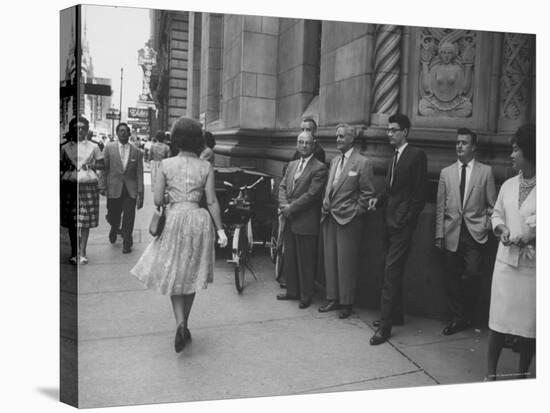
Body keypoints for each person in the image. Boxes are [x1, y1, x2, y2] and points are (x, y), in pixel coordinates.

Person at [131, 117, 228, 353]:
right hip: (198, 219)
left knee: (175, 272)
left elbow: (156, 200)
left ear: (175, 139)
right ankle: (186, 323)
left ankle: (180, 323)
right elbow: (212, 201)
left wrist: (170, 197)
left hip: (174, 218)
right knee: (192, 273)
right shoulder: (206, 167)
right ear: (197, 139)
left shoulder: (165, 165)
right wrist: (221, 230)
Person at [368, 113, 427, 345]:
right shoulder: (395, 156)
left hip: (401, 225)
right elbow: (392, 190)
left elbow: (419, 195)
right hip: (389, 221)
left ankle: (385, 327)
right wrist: (378, 200)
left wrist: (406, 220)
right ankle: (396, 315)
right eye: (388, 130)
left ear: (405, 132)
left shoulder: (416, 155)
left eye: (393, 130)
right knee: (391, 270)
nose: (389, 133)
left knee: (390, 275)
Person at [486, 124, 536, 381]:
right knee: (498, 322)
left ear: (530, 151)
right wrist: (502, 228)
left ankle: (522, 374)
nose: (511, 155)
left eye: (516, 150)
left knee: (529, 327)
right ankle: (490, 374)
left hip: (532, 268)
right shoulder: (507, 185)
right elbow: (496, 214)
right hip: (505, 265)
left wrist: (531, 235)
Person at [435, 128, 497, 335]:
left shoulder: (485, 172)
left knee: (472, 274)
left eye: (464, 143)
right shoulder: (446, 172)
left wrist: (486, 225)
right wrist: (439, 235)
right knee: (451, 278)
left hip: (474, 233)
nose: (459, 146)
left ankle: (468, 312)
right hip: (451, 232)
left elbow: (492, 205)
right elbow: (440, 208)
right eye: (457, 142)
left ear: (473, 147)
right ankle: (457, 318)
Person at [318, 124, 374, 319]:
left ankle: (346, 302)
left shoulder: (362, 162)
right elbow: (331, 186)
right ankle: (332, 298)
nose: (338, 139)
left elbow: (367, 193)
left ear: (351, 138)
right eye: (337, 136)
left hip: (349, 219)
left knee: (346, 263)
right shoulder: (334, 161)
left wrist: (356, 211)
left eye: (341, 136)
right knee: (331, 260)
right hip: (329, 217)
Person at [276, 131, 328, 308]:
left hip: (305, 220)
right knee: (290, 256)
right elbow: (282, 186)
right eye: (301, 142)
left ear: (314, 145)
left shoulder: (319, 167)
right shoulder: (291, 165)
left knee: (306, 260)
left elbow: (312, 195)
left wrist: (291, 208)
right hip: (290, 218)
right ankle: (292, 291)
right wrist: (284, 206)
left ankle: (306, 295)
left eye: (307, 143)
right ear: (297, 144)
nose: (304, 146)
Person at [60, 116, 104, 264]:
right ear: (71, 129)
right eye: (76, 128)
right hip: (70, 186)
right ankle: (74, 252)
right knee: (72, 222)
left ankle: (83, 252)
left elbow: (101, 165)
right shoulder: (64, 147)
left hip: (88, 185)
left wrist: (90, 166)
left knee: (85, 221)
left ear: (87, 130)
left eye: (82, 128)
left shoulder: (94, 147)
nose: (79, 130)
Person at [100, 122, 144, 254]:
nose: (123, 133)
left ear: (129, 134)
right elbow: (104, 169)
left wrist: (140, 193)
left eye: (126, 131)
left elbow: (139, 174)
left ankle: (127, 241)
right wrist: (102, 185)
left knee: (129, 216)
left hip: (130, 190)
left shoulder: (136, 152)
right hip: (114, 188)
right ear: (117, 133)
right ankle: (114, 227)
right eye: (121, 131)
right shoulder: (109, 148)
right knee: (113, 215)